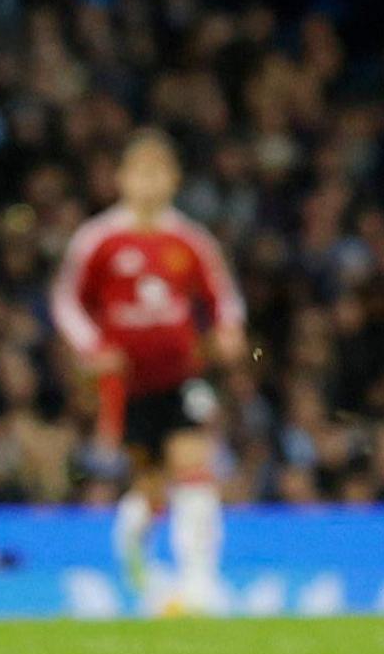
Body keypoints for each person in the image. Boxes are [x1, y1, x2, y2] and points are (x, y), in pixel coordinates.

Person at [53, 131, 246, 613]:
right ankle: (136, 556)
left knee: (193, 463)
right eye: (140, 172)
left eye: (158, 172)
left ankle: (200, 583)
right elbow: (66, 301)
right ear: (121, 179)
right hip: (129, 382)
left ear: (174, 180)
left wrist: (227, 331)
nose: (149, 182)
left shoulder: (189, 240)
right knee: (151, 487)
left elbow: (222, 296)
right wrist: (93, 347)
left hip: (183, 373)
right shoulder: (100, 239)